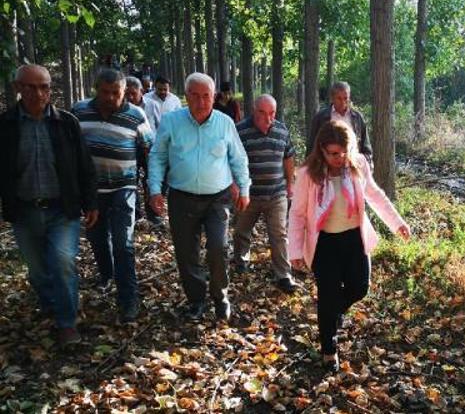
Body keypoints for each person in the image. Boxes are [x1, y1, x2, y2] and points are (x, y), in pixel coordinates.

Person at [289, 120, 410, 371]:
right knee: (328, 295)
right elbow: (298, 214)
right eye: (334, 153)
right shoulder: (308, 174)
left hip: (354, 238)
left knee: (360, 287)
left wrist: (397, 223)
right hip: (324, 244)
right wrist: (295, 251)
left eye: (344, 152)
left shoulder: (358, 164)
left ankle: (333, 314)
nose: (340, 158)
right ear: (321, 150)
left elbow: (375, 194)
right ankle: (328, 349)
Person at [0, 64, 98, 346]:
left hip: (62, 209)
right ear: (18, 88)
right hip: (24, 210)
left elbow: (84, 165)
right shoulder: (6, 125)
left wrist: (90, 202)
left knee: (63, 262)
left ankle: (66, 322)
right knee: (37, 269)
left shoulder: (66, 122)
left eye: (44, 86)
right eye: (31, 87)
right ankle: (50, 302)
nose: (39, 93)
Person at [148, 72, 250, 322]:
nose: (201, 101)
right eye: (195, 95)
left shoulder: (224, 123)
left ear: (214, 97)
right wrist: (154, 189)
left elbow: (238, 158)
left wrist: (244, 189)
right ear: (186, 96)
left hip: (218, 198)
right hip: (181, 197)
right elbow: (158, 156)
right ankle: (196, 300)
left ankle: (220, 295)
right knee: (186, 253)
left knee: (217, 247)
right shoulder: (171, 121)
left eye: (207, 96)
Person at [72, 69, 153, 323]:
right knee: (97, 239)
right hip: (92, 193)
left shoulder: (136, 115)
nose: (110, 98)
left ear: (124, 92)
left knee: (123, 244)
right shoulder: (79, 112)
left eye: (115, 93)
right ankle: (106, 275)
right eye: (105, 92)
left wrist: (152, 186)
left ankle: (128, 299)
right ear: (96, 89)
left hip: (123, 189)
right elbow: (70, 150)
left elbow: (149, 149)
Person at [233, 94, 300, 293]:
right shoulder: (240, 131)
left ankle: (283, 275)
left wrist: (290, 184)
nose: (268, 118)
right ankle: (241, 259)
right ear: (255, 111)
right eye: (262, 113)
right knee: (241, 230)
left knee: (279, 234)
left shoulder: (281, 130)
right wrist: (235, 186)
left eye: (272, 113)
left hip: (276, 193)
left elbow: (288, 157)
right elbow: (232, 160)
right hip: (249, 193)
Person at [125, 76, 164, 228]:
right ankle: (135, 215)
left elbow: (160, 126)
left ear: (141, 91)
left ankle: (153, 215)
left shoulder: (152, 105)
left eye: (133, 94)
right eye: (126, 93)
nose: (129, 97)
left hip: (149, 148)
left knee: (151, 181)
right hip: (129, 149)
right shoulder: (120, 107)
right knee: (131, 181)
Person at [306, 81, 372, 162]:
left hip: (353, 167)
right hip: (326, 169)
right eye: (339, 98)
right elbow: (311, 148)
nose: (343, 102)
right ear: (332, 98)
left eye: (345, 98)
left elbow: (366, 149)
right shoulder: (321, 118)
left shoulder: (357, 118)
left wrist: (365, 166)